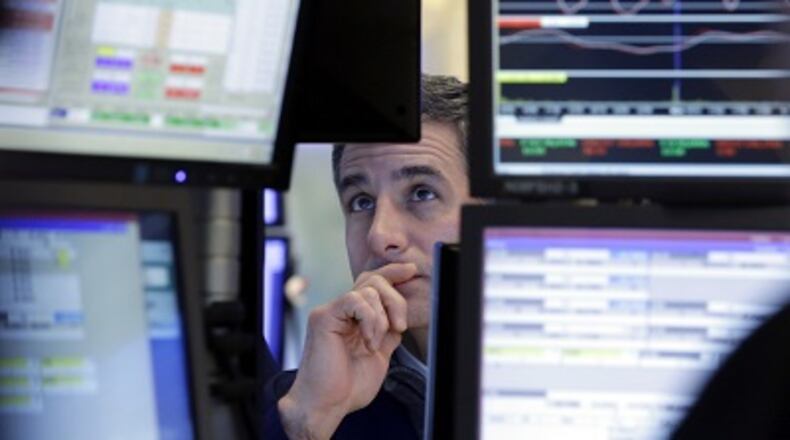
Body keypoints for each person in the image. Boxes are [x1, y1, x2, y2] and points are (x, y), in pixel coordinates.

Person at [263, 74, 471, 439]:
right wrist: (310, 422)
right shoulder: (298, 405)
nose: (379, 236)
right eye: (361, 202)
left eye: (421, 193)